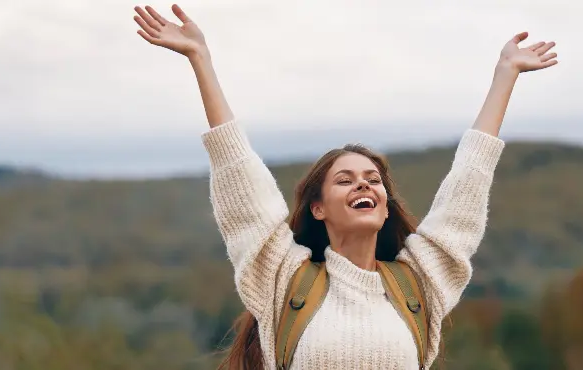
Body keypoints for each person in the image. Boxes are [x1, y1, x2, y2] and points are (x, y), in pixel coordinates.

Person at [133, 4, 558, 369]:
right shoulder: (284, 278)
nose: (364, 185)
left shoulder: (419, 283)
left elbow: (467, 185)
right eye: (345, 179)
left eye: (374, 179)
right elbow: (240, 177)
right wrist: (200, 59)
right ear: (318, 207)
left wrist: (506, 76)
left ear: (386, 205)